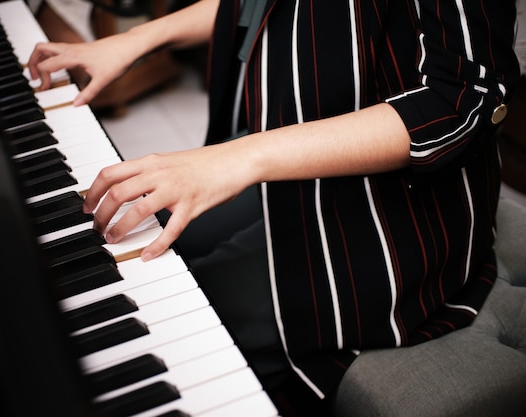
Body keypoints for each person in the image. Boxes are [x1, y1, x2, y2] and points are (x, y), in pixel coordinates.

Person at [28, 0, 521, 414]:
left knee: (176, 322)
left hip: (391, 218)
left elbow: (462, 96)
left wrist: (238, 158)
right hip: (292, 163)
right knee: (121, 248)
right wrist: (136, 40)